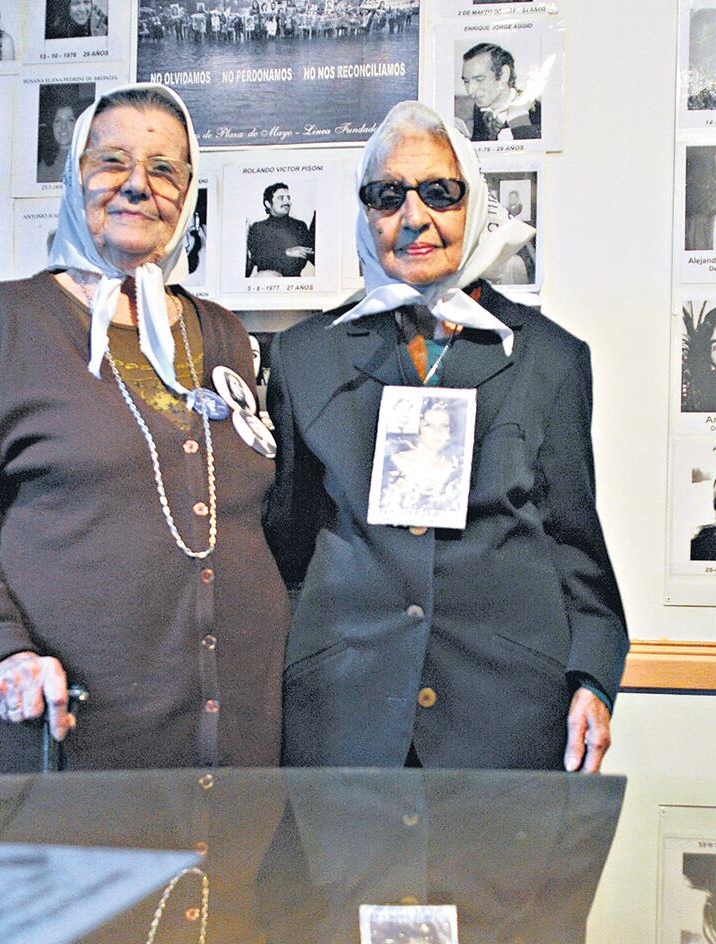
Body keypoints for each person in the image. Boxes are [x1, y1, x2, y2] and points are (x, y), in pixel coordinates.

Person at [0, 83, 286, 774]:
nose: (138, 186)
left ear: (188, 192)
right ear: (76, 178)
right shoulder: (9, 323)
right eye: (112, 162)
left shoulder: (221, 333)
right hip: (77, 733)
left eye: (164, 170)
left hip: (235, 745)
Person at [264, 101, 627, 772]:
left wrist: (592, 677)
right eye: (387, 195)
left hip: (505, 716)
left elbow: (575, 545)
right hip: (343, 721)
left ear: (475, 204)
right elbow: (286, 550)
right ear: (363, 211)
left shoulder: (550, 358)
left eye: (440, 193)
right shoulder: (302, 356)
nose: (414, 217)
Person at [456, 42, 541, 141]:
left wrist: (517, 116)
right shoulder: (480, 109)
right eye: (466, 81)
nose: (470, 91)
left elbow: (533, 152)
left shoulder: (537, 111)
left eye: (479, 79)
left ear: (504, 75)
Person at [244, 182, 315, 277]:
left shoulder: (300, 226)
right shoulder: (258, 227)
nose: (287, 202)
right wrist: (286, 252)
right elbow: (257, 257)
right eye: (281, 198)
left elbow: (303, 259)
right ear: (268, 204)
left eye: (288, 198)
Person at [36, 97, 80, 183]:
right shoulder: (43, 166)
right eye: (58, 121)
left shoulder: (88, 160)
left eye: (70, 120)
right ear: (51, 126)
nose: (63, 126)